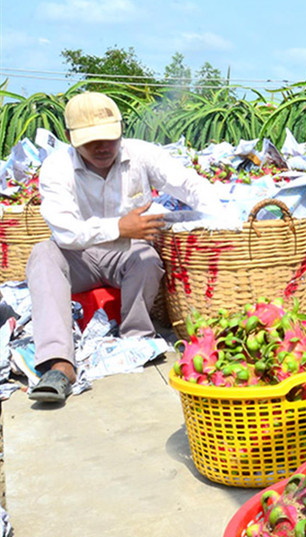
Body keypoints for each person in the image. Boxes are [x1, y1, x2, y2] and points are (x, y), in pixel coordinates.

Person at [25, 91, 224, 404]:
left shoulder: (141, 154)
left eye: (110, 137)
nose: (103, 147)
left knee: (146, 258)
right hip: (79, 256)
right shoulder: (57, 167)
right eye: (91, 141)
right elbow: (64, 231)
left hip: (127, 254)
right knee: (43, 254)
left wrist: (221, 217)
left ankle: (136, 339)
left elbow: (189, 184)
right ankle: (58, 362)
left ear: (120, 130)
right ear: (69, 138)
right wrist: (119, 227)